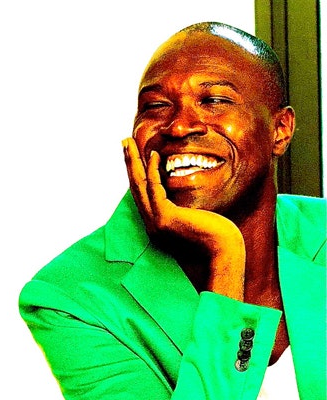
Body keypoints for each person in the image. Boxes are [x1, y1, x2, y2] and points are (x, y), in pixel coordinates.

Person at [19, 22, 326, 399]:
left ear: (280, 129)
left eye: (214, 100)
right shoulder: (71, 297)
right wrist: (226, 254)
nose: (179, 126)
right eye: (156, 106)